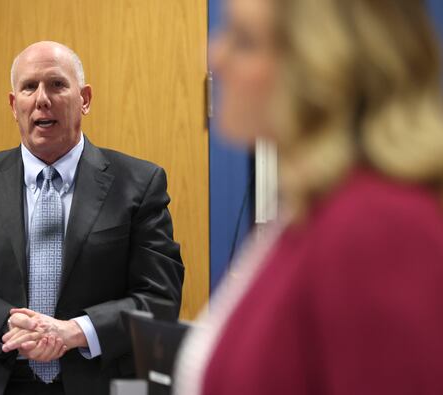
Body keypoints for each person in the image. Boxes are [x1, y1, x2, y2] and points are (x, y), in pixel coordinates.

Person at [174, 0, 443, 394]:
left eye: (245, 41)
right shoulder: (308, 209)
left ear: (322, 69)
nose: (216, 54)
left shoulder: (379, 227)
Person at [0, 41, 184, 395]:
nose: (42, 99)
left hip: (98, 380)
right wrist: (7, 323)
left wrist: (75, 331)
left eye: (57, 84)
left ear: (85, 99)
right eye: (29, 87)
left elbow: (160, 297)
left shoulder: (139, 183)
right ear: (15, 106)